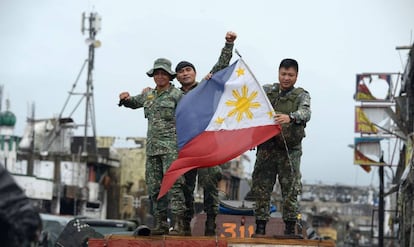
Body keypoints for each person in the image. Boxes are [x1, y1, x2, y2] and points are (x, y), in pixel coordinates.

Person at [175, 31, 237, 236]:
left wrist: (229, 44)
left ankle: (211, 222)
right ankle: (184, 224)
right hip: (185, 148)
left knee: (210, 183)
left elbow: (221, 66)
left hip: (207, 145)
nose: (185, 73)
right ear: (177, 77)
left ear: (194, 72)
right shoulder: (174, 96)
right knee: (185, 187)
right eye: (181, 72)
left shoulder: (205, 86)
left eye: (188, 70)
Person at [119, 58, 186, 236]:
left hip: (171, 148)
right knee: (154, 187)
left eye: (163, 73)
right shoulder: (149, 95)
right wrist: (125, 99)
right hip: (152, 150)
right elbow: (134, 102)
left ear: (169, 76)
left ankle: (179, 224)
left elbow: (190, 115)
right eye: (157, 73)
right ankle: (161, 223)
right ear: (153, 76)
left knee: (175, 185)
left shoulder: (177, 95)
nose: (160, 76)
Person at [250, 58, 311, 237]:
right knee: (261, 188)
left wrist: (290, 117)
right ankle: (260, 227)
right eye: (283, 74)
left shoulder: (302, 95)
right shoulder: (268, 90)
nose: (286, 78)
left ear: (296, 76)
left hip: (289, 151)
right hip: (267, 148)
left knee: (290, 190)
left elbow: (306, 113)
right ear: (278, 73)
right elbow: (250, 105)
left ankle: (290, 228)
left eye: (290, 75)